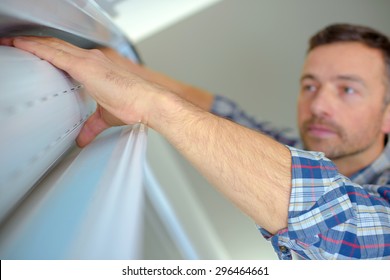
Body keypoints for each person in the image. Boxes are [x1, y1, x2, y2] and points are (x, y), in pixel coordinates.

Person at [1, 23, 389, 260]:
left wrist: (152, 104)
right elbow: (231, 118)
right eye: (310, 85)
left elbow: (347, 228)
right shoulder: (309, 150)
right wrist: (126, 70)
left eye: (348, 90)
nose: (318, 104)